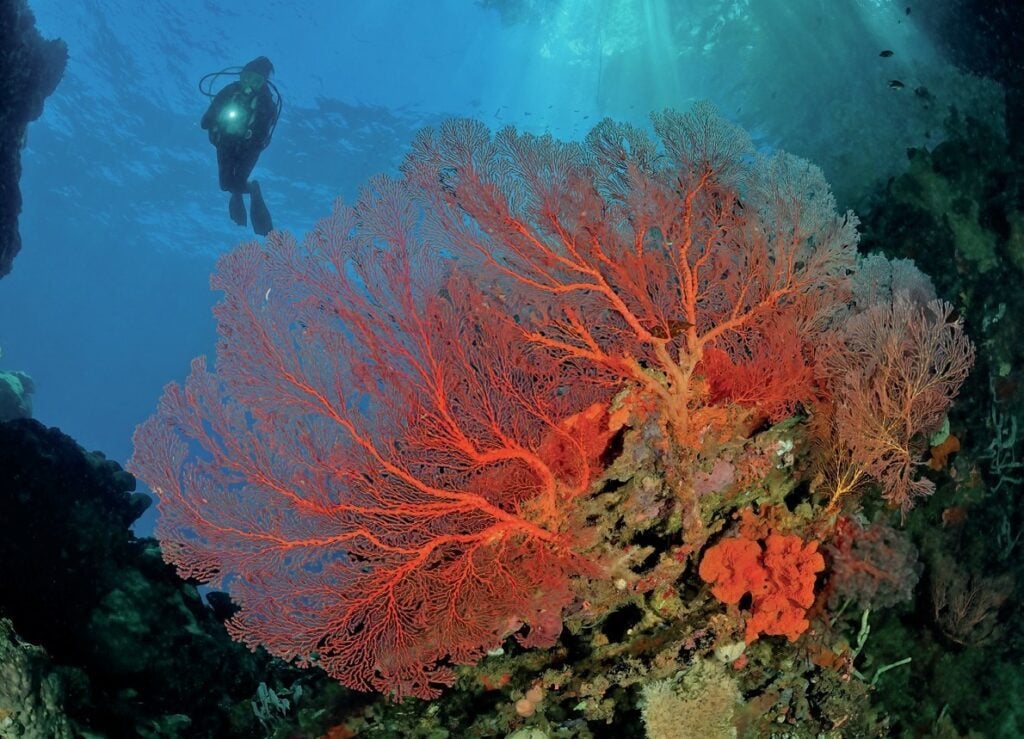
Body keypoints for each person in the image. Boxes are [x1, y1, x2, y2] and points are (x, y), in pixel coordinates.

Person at [200, 56, 281, 236]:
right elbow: (204, 122)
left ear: (263, 83)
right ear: (241, 75)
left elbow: (263, 135)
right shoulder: (229, 91)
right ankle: (239, 193)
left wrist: (248, 130)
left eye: (257, 81)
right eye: (248, 77)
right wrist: (218, 121)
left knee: (237, 181)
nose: (250, 84)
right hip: (225, 142)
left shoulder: (266, 103)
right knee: (225, 185)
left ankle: (253, 190)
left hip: (249, 149)